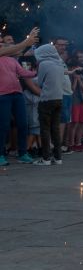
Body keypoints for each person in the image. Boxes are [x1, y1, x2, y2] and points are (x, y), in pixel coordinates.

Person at [0, 28, 40, 166]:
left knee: (23, 124)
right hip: (2, 95)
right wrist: (27, 41)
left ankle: (23, 153)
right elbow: (17, 48)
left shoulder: (12, 60)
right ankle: (0, 154)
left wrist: (35, 73)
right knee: (3, 125)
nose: (3, 45)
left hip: (17, 94)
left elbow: (23, 72)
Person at [33, 43, 67, 166]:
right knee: (55, 129)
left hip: (46, 100)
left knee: (45, 129)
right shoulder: (60, 63)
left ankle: (46, 158)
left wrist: (30, 77)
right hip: (59, 99)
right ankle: (58, 158)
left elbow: (40, 82)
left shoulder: (44, 64)